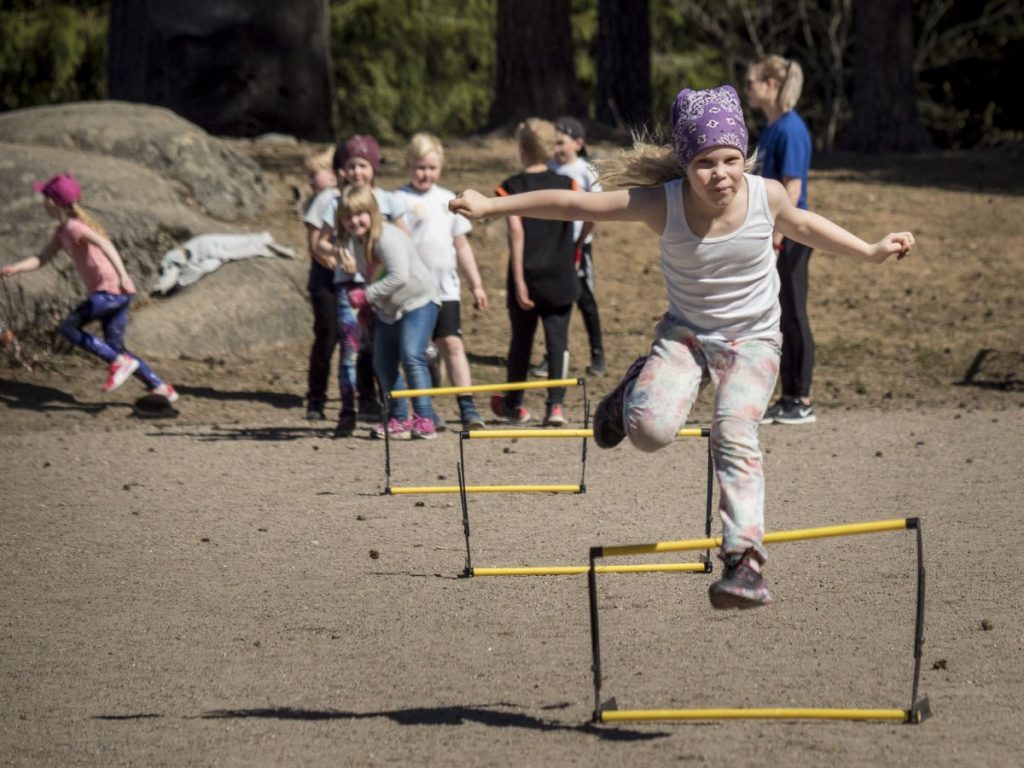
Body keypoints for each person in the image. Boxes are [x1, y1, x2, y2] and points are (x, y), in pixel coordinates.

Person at [449, 85, 914, 610]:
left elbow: (807, 226)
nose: (721, 174)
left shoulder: (767, 196)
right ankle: (631, 392)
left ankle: (744, 561)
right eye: (705, 163)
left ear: (744, 156)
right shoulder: (659, 204)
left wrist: (871, 250)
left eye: (731, 160)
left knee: (735, 431)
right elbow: (574, 202)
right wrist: (492, 205)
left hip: (755, 341)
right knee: (649, 433)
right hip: (685, 336)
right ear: (685, 163)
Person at [2, 173, 178, 401]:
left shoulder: (75, 227)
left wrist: (123, 275)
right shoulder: (62, 231)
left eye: (44, 197)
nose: (43, 202)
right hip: (116, 294)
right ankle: (160, 387)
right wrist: (14, 268)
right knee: (115, 345)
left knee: (68, 328)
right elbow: (41, 258)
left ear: (52, 202)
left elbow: (106, 244)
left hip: (109, 292)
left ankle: (118, 362)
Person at [395, 132, 488, 431]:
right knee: (416, 352)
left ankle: (467, 406)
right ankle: (425, 410)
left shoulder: (449, 200)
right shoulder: (398, 200)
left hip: (446, 289)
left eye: (432, 168)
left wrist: (476, 284)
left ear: (441, 168)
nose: (426, 174)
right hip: (412, 292)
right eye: (420, 167)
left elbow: (461, 245)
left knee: (453, 344)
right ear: (408, 164)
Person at [334, 184, 441, 440]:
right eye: (347, 216)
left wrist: (366, 296)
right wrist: (369, 307)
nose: (354, 221)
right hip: (389, 309)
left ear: (372, 212)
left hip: (419, 301)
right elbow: (375, 275)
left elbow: (399, 276)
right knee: (382, 362)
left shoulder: (387, 237)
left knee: (411, 354)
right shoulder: (356, 242)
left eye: (359, 214)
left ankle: (424, 418)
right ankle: (399, 419)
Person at [491, 118, 579, 427]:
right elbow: (588, 219)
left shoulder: (510, 187)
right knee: (558, 342)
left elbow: (516, 233)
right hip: (561, 275)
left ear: (523, 149)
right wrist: (577, 250)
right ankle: (555, 406)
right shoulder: (569, 184)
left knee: (521, 341)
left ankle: (515, 404)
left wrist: (518, 282)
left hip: (526, 275)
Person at [319, 135, 410, 430]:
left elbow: (404, 241)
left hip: (382, 287)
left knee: (382, 348)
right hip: (349, 286)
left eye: (363, 165)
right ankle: (347, 411)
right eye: (351, 166)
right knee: (350, 349)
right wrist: (337, 252)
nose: (357, 172)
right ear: (343, 169)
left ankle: (393, 408)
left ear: (373, 168)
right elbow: (321, 243)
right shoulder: (335, 203)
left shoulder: (389, 201)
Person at [745, 55, 816, 425]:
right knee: (780, 315)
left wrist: (776, 237)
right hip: (773, 233)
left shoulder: (791, 129)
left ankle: (801, 398)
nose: (748, 89)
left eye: (752, 82)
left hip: (791, 235)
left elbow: (792, 188)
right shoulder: (772, 129)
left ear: (771, 85)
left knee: (794, 312)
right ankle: (787, 396)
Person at [540, 116, 607, 378]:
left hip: (578, 245)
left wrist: (580, 245)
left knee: (585, 299)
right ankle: (552, 356)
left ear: (578, 143)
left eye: (561, 143)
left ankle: (597, 354)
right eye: (553, 143)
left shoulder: (585, 171)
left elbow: (597, 212)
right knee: (553, 302)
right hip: (552, 246)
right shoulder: (549, 169)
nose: (556, 149)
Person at [301, 150, 342, 422]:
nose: (310, 180)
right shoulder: (323, 200)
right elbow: (315, 245)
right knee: (327, 338)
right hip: (327, 280)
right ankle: (316, 398)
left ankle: (362, 396)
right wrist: (338, 265)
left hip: (347, 279)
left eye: (314, 174)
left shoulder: (339, 196)